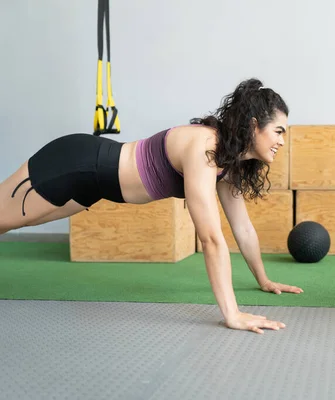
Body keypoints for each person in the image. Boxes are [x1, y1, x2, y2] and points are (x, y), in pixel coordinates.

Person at [0, 77, 303, 334]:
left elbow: (242, 228)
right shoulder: (206, 146)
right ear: (254, 126)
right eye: (278, 131)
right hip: (77, 163)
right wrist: (232, 314)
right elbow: (210, 238)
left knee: (13, 221)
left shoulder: (228, 164)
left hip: (90, 188)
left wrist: (263, 280)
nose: (281, 141)